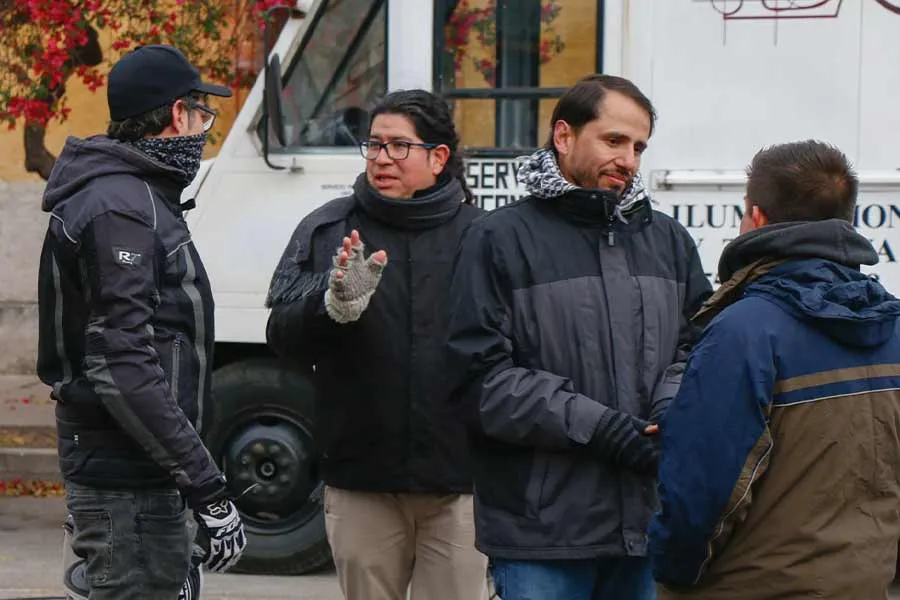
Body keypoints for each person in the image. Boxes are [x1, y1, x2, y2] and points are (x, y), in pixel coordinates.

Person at [444, 74, 712, 600]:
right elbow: (477, 379)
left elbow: (699, 346)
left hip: (647, 523)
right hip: (540, 532)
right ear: (563, 136)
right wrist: (599, 427)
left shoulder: (669, 241)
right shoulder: (498, 237)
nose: (629, 160)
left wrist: (671, 408)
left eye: (638, 147)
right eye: (614, 141)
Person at [37, 45, 246, 600]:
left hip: (141, 477)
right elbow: (121, 362)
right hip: (127, 484)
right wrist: (208, 488)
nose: (203, 130)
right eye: (202, 115)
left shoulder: (134, 197)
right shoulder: (122, 207)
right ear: (177, 115)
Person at [649, 140, 900, 599]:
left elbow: (703, 492)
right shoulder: (894, 327)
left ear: (757, 219)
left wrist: (672, 573)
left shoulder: (744, 330)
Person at [265, 89, 489, 600]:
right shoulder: (330, 229)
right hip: (361, 481)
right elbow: (281, 336)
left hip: (459, 485)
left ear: (438, 158)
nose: (381, 158)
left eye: (398, 146)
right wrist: (332, 307)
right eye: (374, 144)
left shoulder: (484, 237)